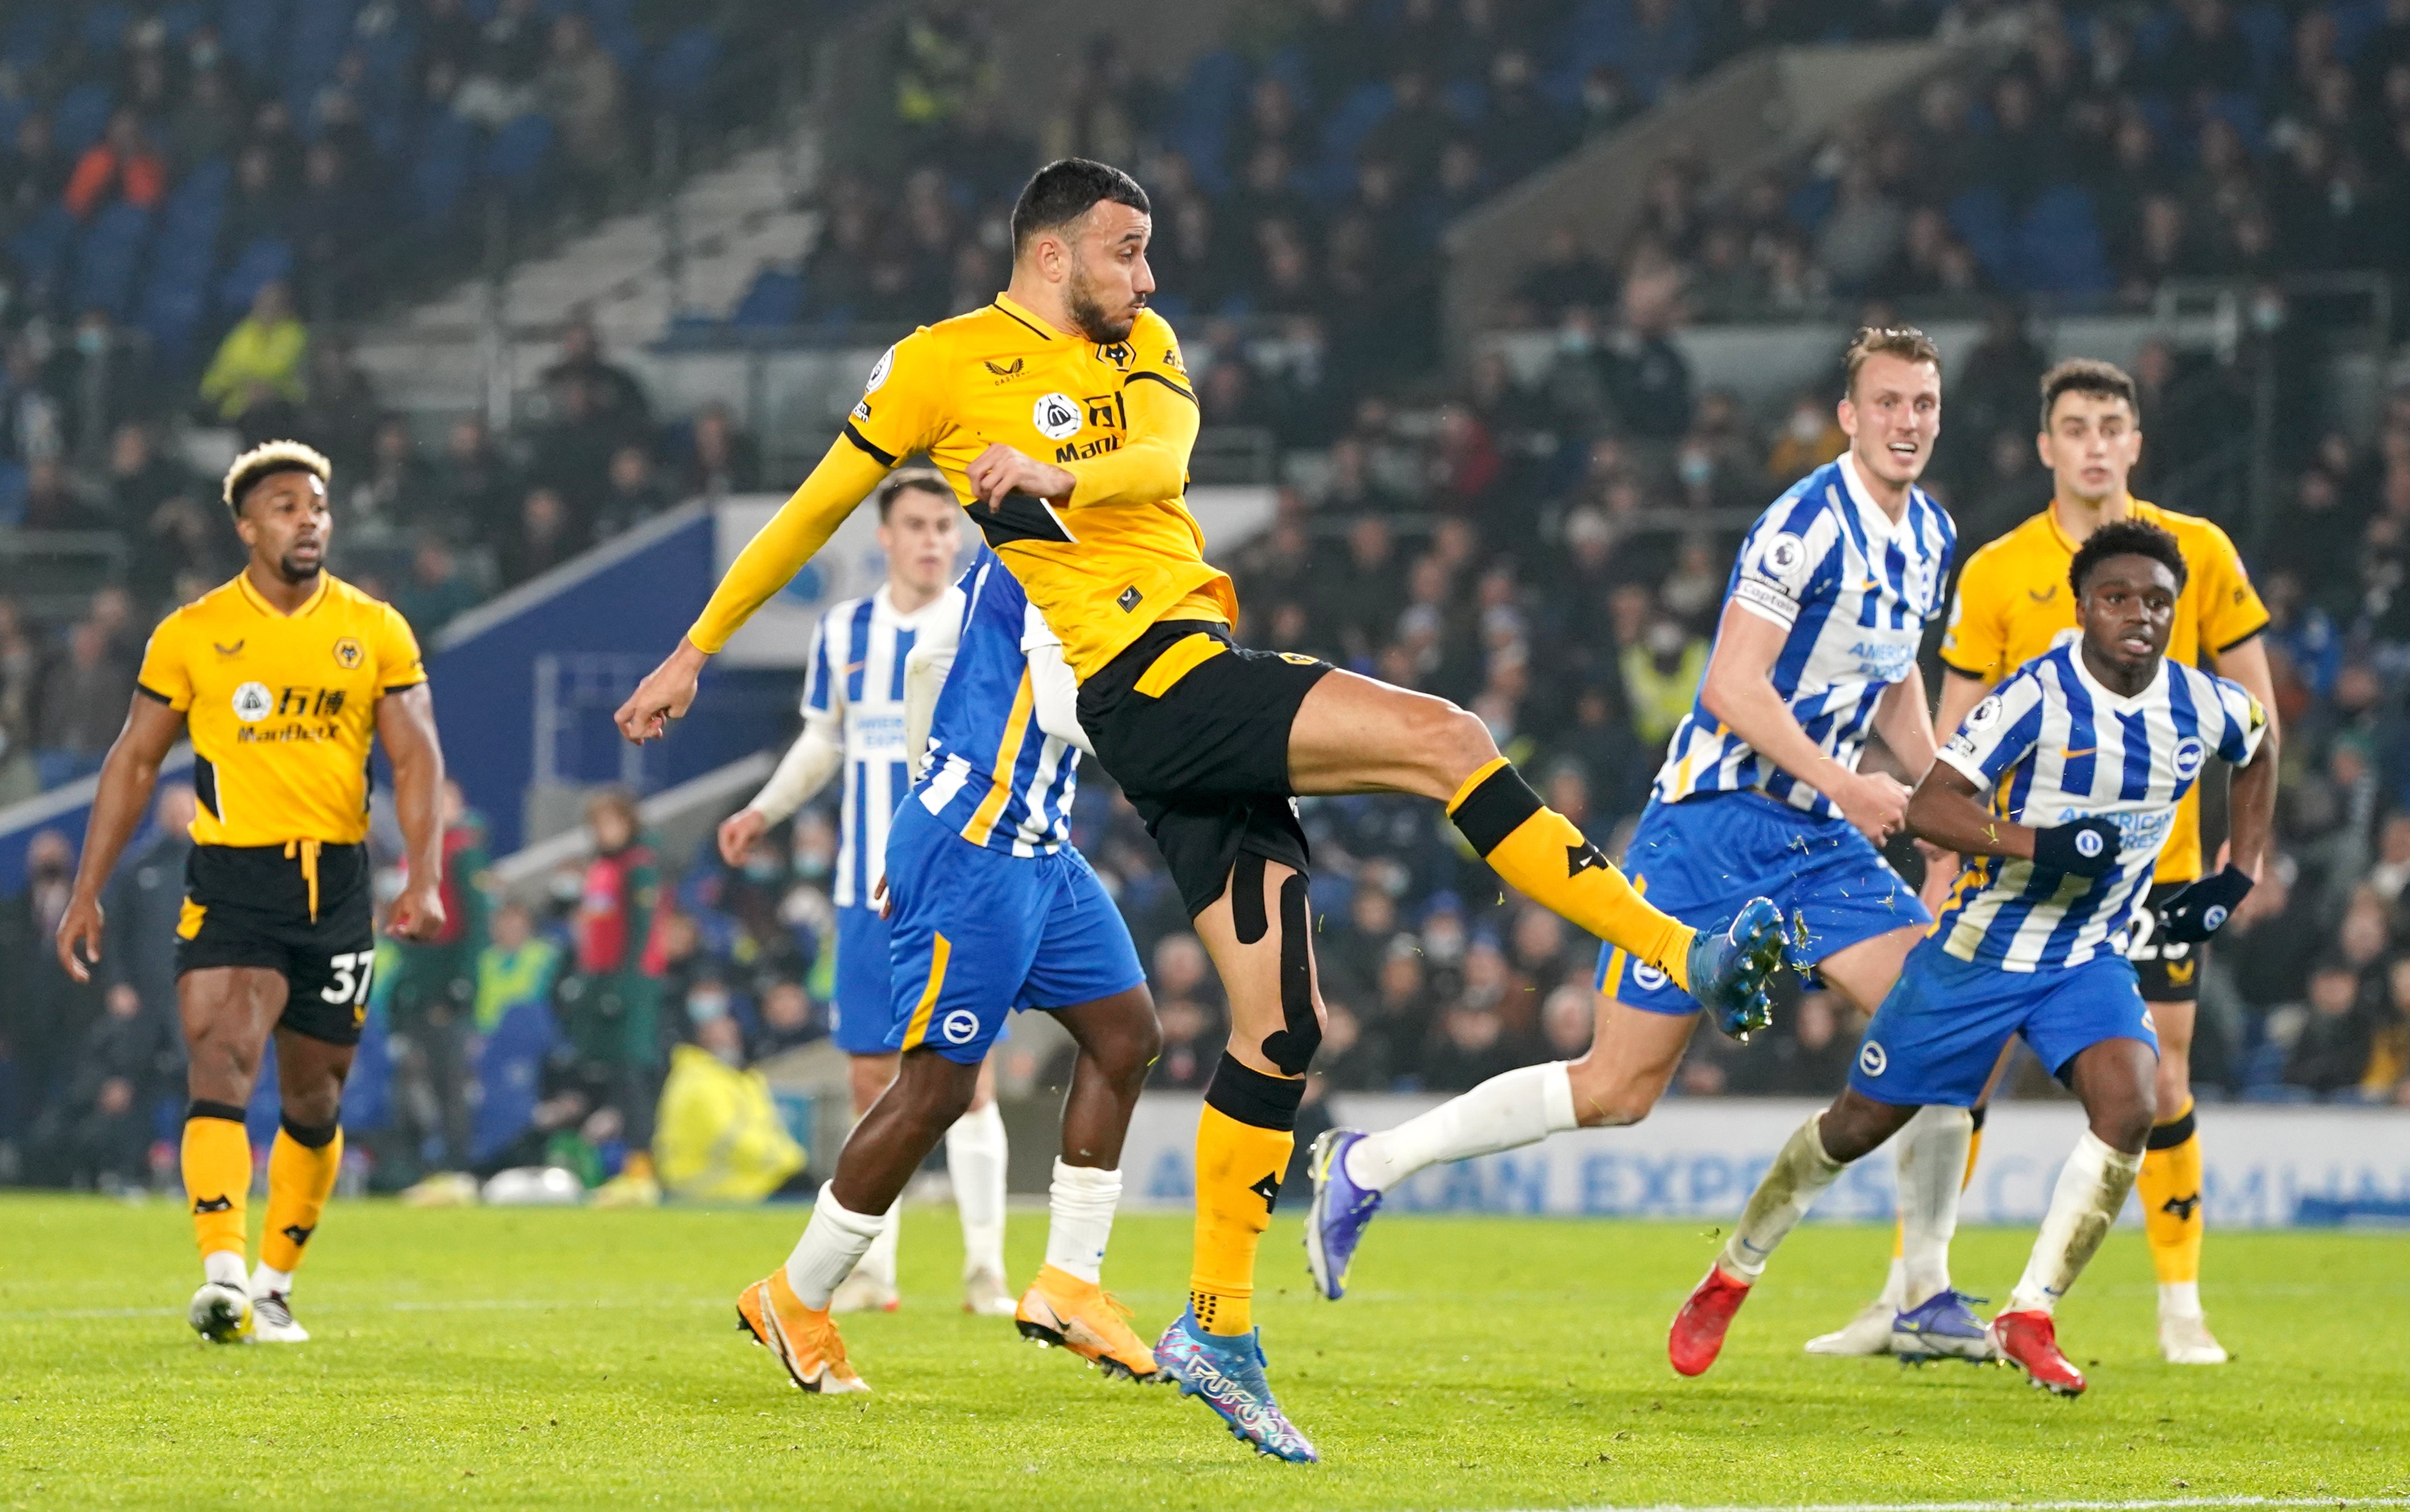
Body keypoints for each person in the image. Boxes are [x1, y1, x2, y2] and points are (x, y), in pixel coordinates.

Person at [613, 157, 1782, 1461]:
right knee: (1446, 738)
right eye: (1126, 250)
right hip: (1151, 686)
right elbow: (810, 510)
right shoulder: (940, 367)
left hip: (1178, 695)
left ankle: (1216, 1327)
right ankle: (1681, 948)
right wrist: (697, 649)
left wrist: (1058, 474)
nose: (1149, 276)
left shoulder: (1145, 347)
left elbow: (1166, 449)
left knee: (1278, 1030)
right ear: (1052, 254)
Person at [1304, 328, 1955, 1318]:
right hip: (1709, 826)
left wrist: (1932, 783)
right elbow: (1732, 686)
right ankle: (1373, 1162)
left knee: (1939, 1019)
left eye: (1923, 405)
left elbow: (1892, 668)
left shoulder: (1931, 535)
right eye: (1889, 403)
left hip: (1815, 839)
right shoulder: (1802, 526)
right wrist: (1852, 782)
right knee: (1617, 1088)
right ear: (1849, 416)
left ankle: (1915, 1292)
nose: (1907, 422)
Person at [1669, 520, 2273, 1398]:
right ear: (2081, 610)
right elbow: (1930, 808)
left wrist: (2240, 869)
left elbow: (2260, 747)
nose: (2139, 615)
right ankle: (1731, 1272)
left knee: (2132, 1104)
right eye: (2117, 599)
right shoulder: (2036, 697)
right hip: (1977, 955)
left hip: (2087, 957)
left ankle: (2031, 1312)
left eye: (2156, 602)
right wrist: (2045, 844)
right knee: (1855, 1126)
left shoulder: (2200, 702)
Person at [1811, 358, 2278, 1367]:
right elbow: (1954, 727)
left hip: (2158, 877)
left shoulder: (2191, 552)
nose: (2097, 444)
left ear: (2137, 442)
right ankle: (1910, 1290)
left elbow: (2256, 712)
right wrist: (1943, 851)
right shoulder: (1995, 569)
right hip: (2010, 877)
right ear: (2046, 445)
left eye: (2114, 425)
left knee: (2166, 1074)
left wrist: (2245, 858)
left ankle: (2181, 1303)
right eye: (2077, 426)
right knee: (1960, 1070)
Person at [736, 546, 1162, 1393]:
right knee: (936, 1088)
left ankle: (1070, 1284)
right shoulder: (1062, 541)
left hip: (1036, 845)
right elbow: (1064, 702)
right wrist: (1198, 752)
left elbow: (932, 661)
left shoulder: (1039, 533)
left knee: (1126, 1035)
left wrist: (917, 800)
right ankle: (797, 1295)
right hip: (975, 850)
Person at [53, 441, 448, 1344]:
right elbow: (135, 760)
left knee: (315, 1098)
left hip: (337, 883)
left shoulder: (374, 627)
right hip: (234, 875)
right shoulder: (192, 633)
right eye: (285, 506)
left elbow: (416, 752)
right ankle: (224, 1275)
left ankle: (275, 1282)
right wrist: (88, 888)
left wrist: (423, 873)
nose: (307, 519)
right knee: (221, 1056)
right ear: (246, 526)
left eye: (317, 505)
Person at [712, 469, 1001, 1315]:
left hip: (957, 883)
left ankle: (986, 1269)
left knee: (968, 1077)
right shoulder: (846, 631)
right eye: (915, 525)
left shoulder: (982, 623)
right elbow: (824, 740)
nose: (932, 540)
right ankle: (874, 1269)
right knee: (874, 1079)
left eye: (945, 527)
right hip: (863, 895)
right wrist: (764, 809)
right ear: (884, 535)